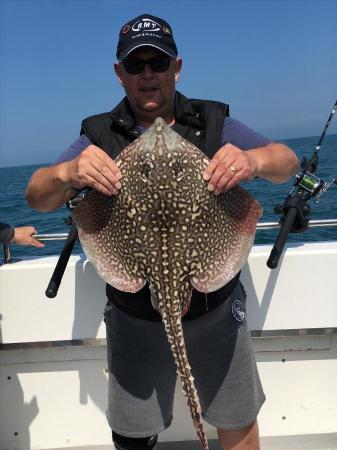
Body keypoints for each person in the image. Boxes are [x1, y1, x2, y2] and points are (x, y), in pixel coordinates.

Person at [26, 13, 299, 450]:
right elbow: (37, 197)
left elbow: (286, 162)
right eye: (136, 65)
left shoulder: (213, 122)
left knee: (237, 418)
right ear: (120, 74)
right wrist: (68, 170)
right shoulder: (99, 136)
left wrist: (254, 162)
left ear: (177, 67)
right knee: (133, 434)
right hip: (134, 316)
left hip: (217, 310)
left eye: (159, 62)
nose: (148, 74)